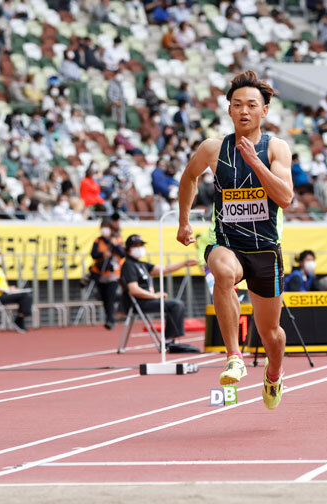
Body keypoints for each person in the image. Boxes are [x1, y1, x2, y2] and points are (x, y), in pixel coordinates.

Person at [176, 70, 293, 410]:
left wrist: (255, 161)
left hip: (266, 250)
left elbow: (285, 198)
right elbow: (188, 178)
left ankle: (274, 373)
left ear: (264, 111)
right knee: (223, 274)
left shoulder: (277, 148)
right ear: (229, 110)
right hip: (226, 241)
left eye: (251, 105)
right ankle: (234, 357)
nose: (244, 111)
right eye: (237, 104)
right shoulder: (213, 149)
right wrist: (184, 221)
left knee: (271, 332)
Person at [121, 234, 200, 353]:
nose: (140, 248)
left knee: (176, 304)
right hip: (139, 303)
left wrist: (184, 263)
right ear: (128, 249)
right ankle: (169, 341)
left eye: (141, 245)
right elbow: (134, 289)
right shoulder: (128, 265)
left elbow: (164, 269)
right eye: (136, 246)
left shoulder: (142, 264)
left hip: (148, 300)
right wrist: (155, 295)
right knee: (175, 305)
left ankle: (171, 340)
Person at [0, 244, 32, 333]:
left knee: (26, 296)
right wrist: (7, 290)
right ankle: (19, 320)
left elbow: (1, 284)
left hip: (6, 293)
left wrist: (10, 289)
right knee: (26, 297)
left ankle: (20, 318)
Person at [90, 218, 125, 329]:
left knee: (110, 296)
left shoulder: (117, 239)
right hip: (100, 274)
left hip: (113, 274)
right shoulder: (98, 240)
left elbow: (122, 254)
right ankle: (109, 316)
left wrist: (115, 245)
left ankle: (111, 319)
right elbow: (93, 254)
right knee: (104, 297)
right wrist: (102, 254)